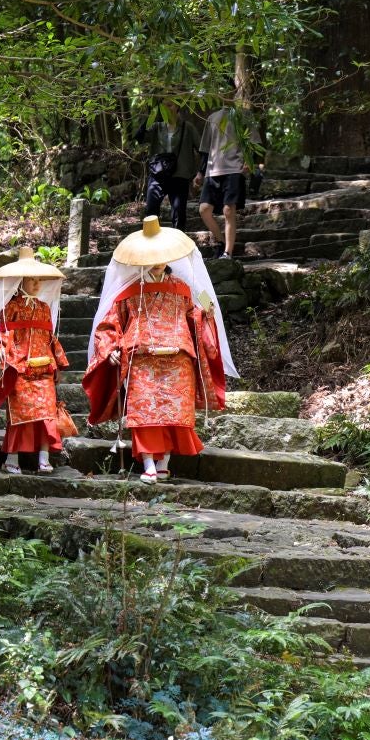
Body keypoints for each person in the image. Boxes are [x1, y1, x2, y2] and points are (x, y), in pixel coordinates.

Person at [84, 216, 236, 483]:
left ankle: (164, 460)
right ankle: (148, 463)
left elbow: (196, 317)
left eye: (162, 255)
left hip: (178, 357)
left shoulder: (184, 289)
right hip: (141, 358)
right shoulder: (130, 291)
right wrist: (110, 348)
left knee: (174, 410)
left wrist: (207, 314)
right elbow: (110, 324)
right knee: (145, 411)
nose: (157, 261)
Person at [0, 247, 72, 475]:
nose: (37, 284)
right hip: (18, 367)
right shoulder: (10, 308)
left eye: (38, 280)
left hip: (44, 368)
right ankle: (12, 458)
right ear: (20, 281)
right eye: (32, 280)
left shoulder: (43, 308)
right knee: (19, 415)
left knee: (46, 415)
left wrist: (58, 363)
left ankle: (44, 457)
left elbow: (50, 338)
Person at [135, 104, 202, 232]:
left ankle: (179, 246)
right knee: (151, 212)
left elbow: (202, 150)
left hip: (180, 175)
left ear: (177, 106)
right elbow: (139, 138)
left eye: (170, 105)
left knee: (178, 214)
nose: (166, 108)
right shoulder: (157, 127)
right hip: (157, 174)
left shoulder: (187, 128)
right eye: (164, 105)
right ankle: (153, 246)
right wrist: (152, 116)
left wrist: (200, 172)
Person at [198, 100, 251, 259]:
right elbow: (205, 148)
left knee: (228, 210)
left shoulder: (242, 116)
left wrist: (248, 161)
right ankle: (221, 242)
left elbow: (251, 142)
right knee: (204, 209)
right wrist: (200, 172)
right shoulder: (212, 117)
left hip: (234, 168)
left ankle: (228, 252)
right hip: (212, 169)